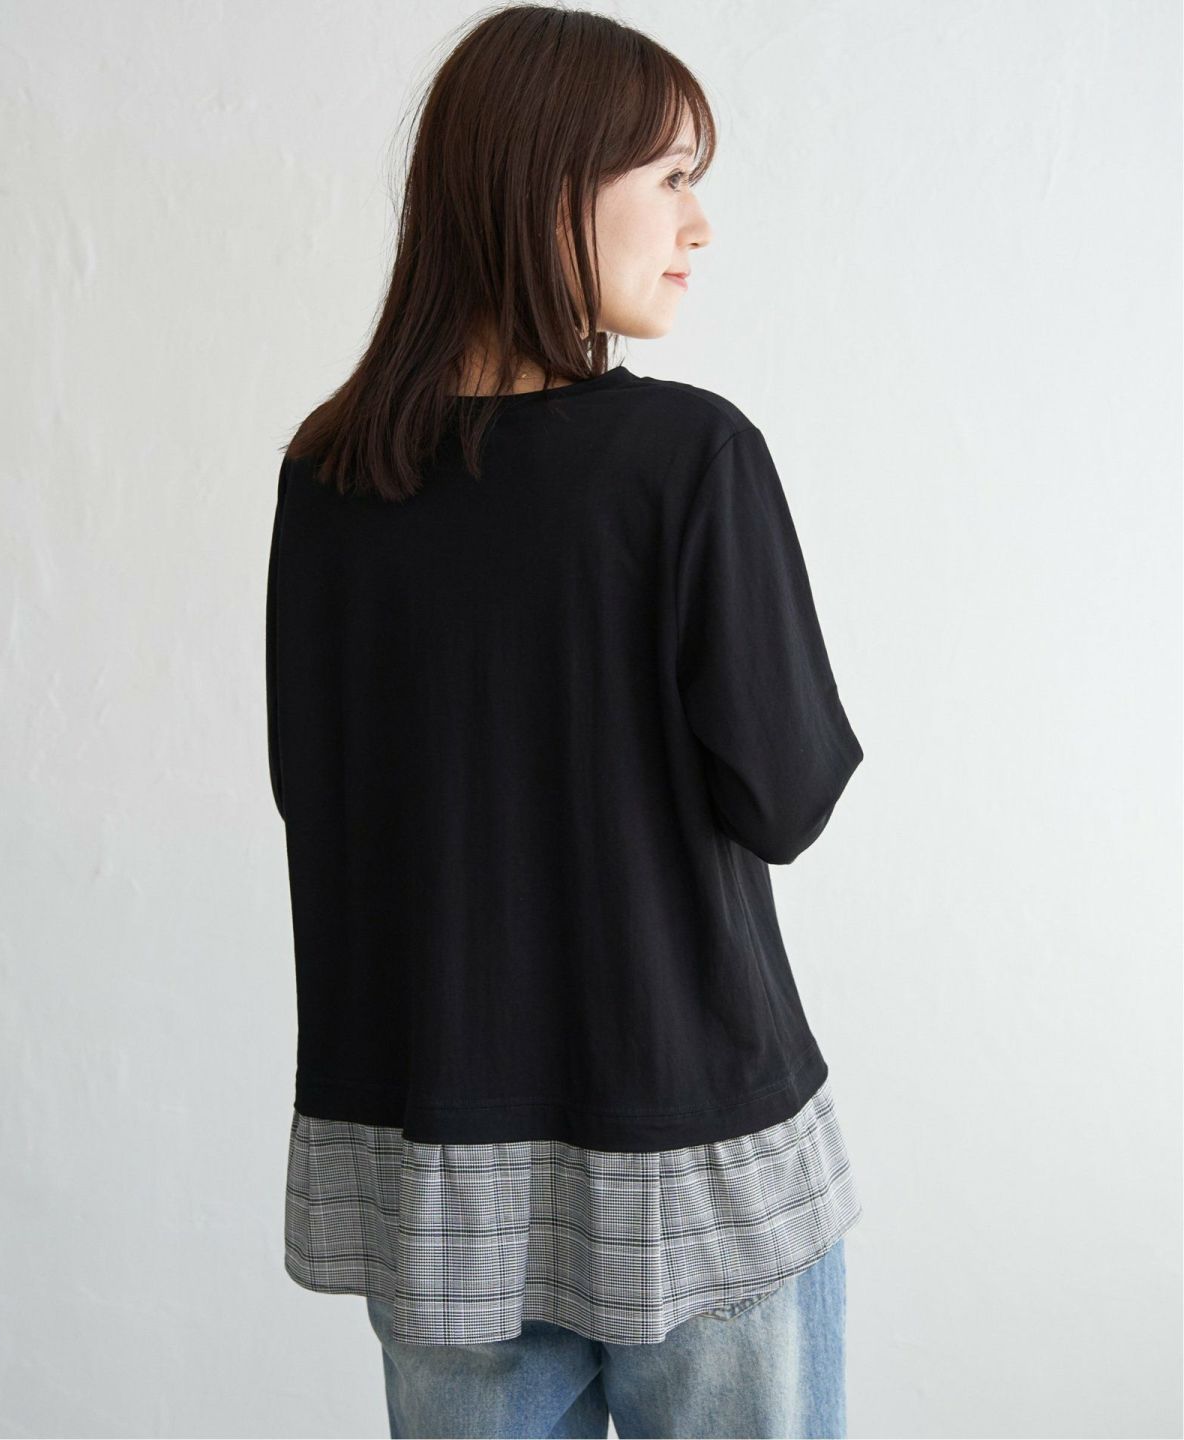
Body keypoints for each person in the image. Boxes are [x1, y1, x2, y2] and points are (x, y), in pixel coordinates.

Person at [267, 6, 866, 1436]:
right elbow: (786, 796)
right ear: (547, 190)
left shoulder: (330, 477)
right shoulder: (689, 459)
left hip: (442, 1170)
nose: (699, 224)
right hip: (692, 1151)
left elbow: (317, 798)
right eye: (669, 177)